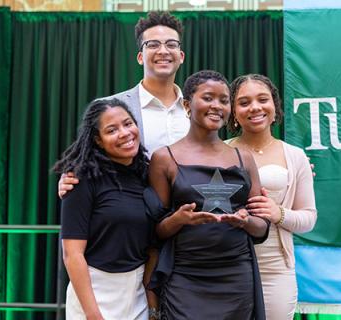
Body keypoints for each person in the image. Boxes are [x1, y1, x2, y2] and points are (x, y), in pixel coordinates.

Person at [146, 70, 269, 320]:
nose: (217, 106)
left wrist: (245, 221)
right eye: (208, 98)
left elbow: (261, 228)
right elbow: (154, 231)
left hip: (236, 277)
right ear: (187, 104)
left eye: (224, 100)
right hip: (184, 277)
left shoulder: (242, 158)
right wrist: (178, 219)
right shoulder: (164, 159)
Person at [58, 10, 188, 197]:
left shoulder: (196, 109)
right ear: (140, 57)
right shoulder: (109, 107)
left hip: (190, 217)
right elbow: (84, 163)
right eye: (152, 44)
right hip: (131, 215)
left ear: (181, 56)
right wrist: (70, 180)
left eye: (171, 44)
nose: (163, 51)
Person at [227, 74, 317, 320]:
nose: (255, 107)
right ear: (233, 112)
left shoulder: (295, 156)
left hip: (276, 269)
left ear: (275, 107)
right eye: (244, 102)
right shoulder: (219, 152)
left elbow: (309, 218)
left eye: (262, 99)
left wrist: (279, 214)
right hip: (226, 265)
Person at [53, 98, 152, 319]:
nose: (125, 133)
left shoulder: (147, 174)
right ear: (98, 140)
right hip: (95, 292)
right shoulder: (81, 178)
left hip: (137, 293)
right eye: (111, 130)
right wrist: (92, 314)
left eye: (128, 124)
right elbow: (72, 254)